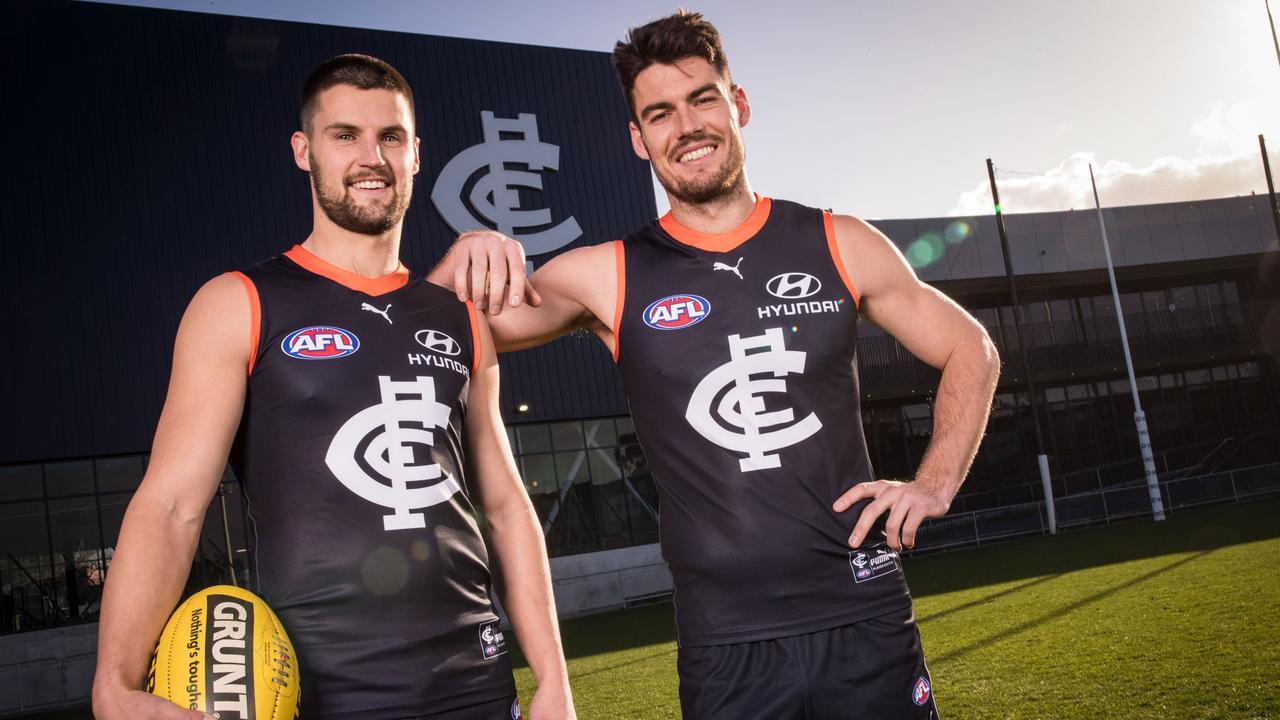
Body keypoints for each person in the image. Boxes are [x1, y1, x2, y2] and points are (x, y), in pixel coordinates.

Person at [432, 11, 1000, 719]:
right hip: (726, 647)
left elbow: (970, 348)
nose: (687, 126)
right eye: (660, 113)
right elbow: (435, 334)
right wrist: (467, 253)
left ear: (739, 104)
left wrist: (934, 483)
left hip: (865, 620)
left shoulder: (837, 241)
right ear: (639, 140)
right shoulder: (607, 276)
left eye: (703, 99)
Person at [92, 54, 575, 720]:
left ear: (415, 155)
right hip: (324, 697)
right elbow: (171, 506)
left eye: (391, 137)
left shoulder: (460, 315)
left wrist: (554, 679)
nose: (370, 157)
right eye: (344, 135)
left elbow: (505, 507)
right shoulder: (238, 303)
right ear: (304, 150)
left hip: (477, 691)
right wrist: (114, 683)